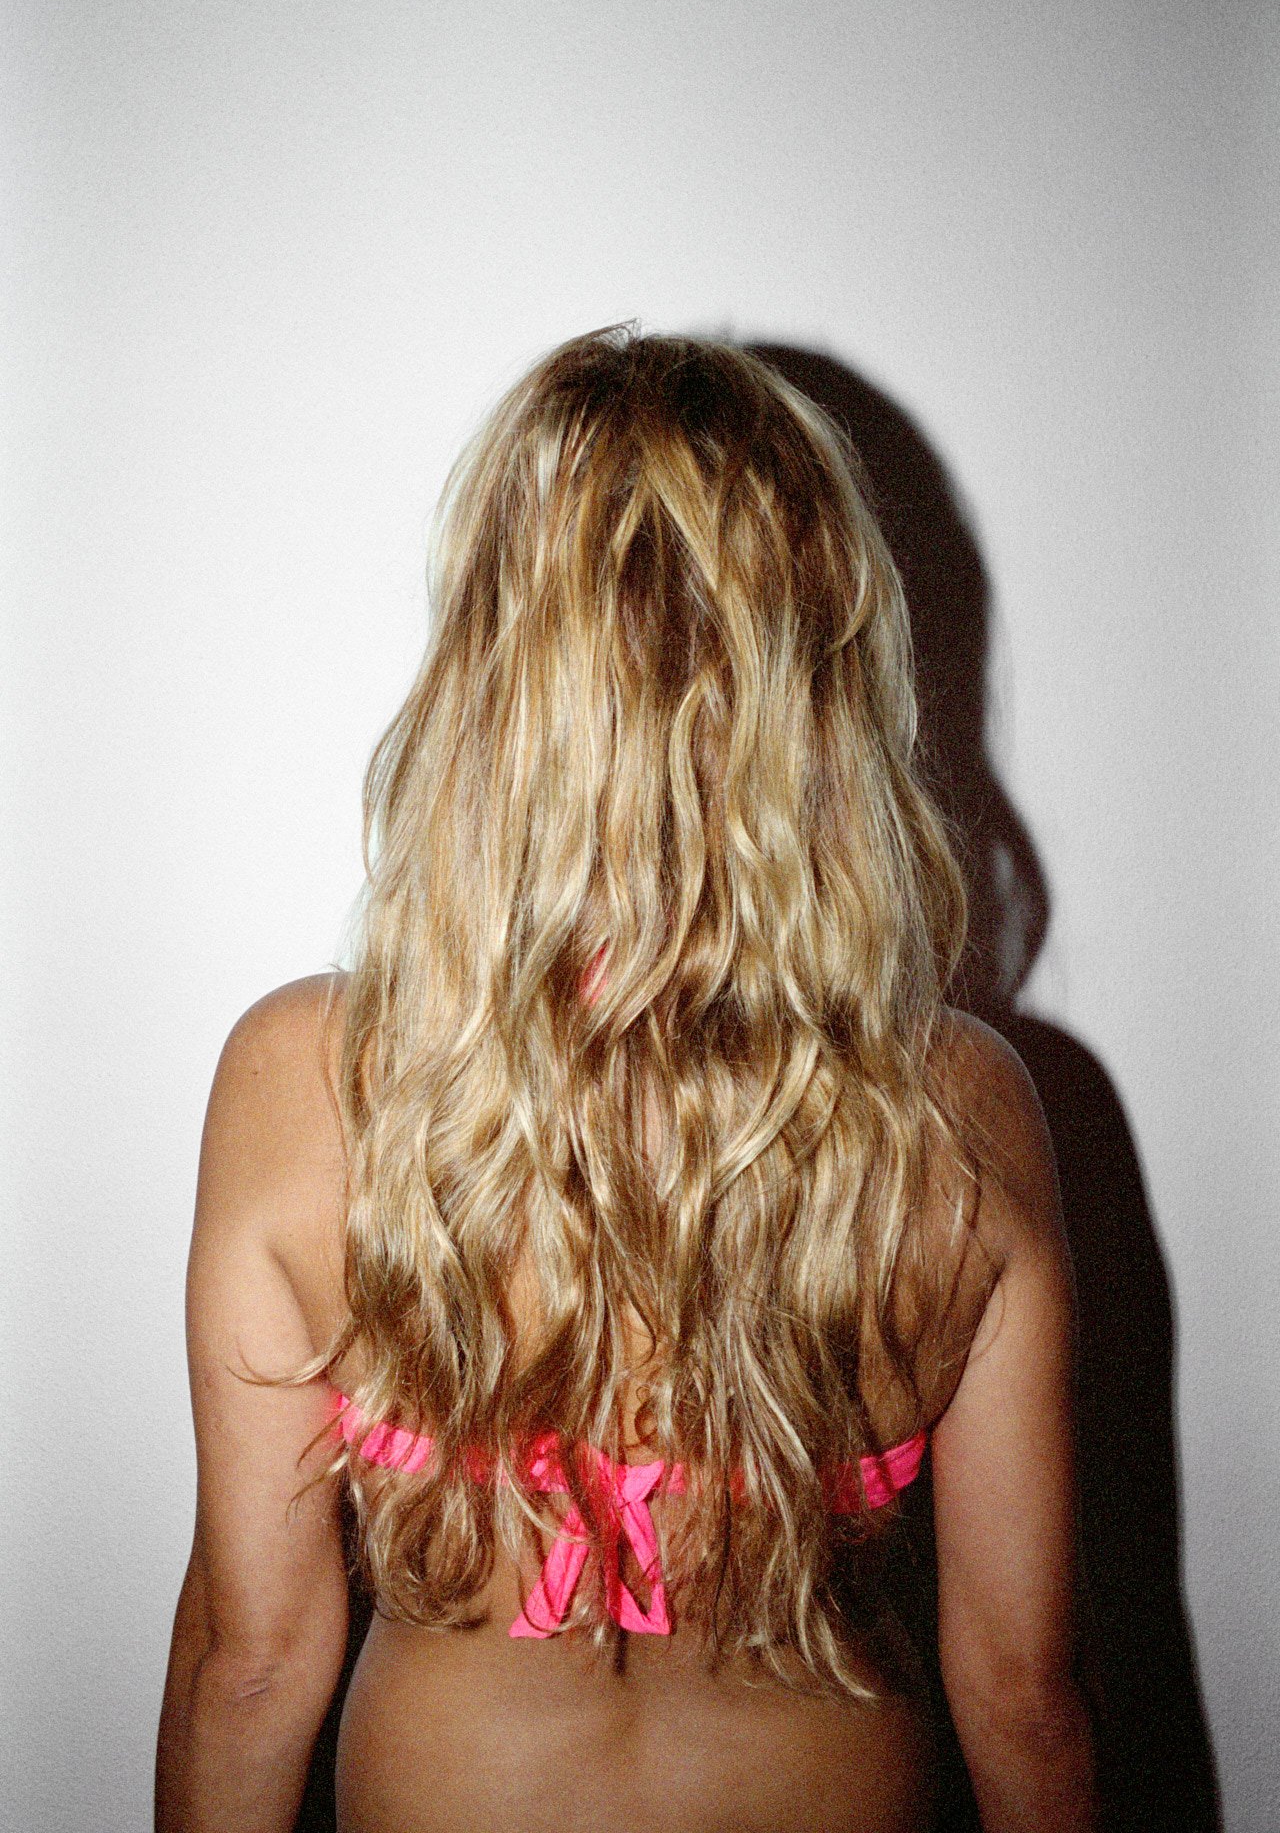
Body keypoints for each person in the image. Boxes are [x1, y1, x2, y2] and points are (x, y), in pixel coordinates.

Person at [156, 326, 1098, 1833]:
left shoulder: (300, 1082)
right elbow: (1028, 1704)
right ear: (825, 678)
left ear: (485, 666)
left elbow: (251, 1672)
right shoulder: (963, 1111)